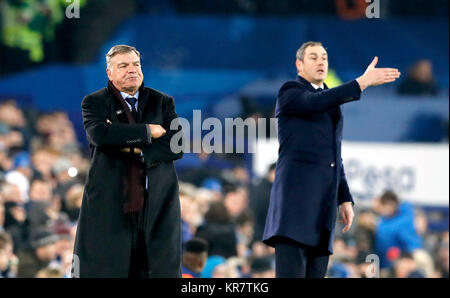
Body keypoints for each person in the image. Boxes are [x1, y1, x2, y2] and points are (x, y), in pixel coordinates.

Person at [262, 41, 401, 278]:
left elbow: (335, 156)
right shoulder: (290, 91)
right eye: (313, 57)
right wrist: (361, 82)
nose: (320, 62)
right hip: (295, 210)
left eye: (324, 58)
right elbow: (315, 102)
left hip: (322, 212)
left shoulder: (330, 103)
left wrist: (344, 198)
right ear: (299, 65)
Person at [72, 45, 184, 278]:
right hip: (110, 209)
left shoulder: (161, 101)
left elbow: (176, 145)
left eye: (136, 64)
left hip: (157, 207)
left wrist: (132, 147)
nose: (132, 70)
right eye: (123, 66)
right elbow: (100, 135)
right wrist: (147, 133)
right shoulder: (94, 102)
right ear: (109, 73)